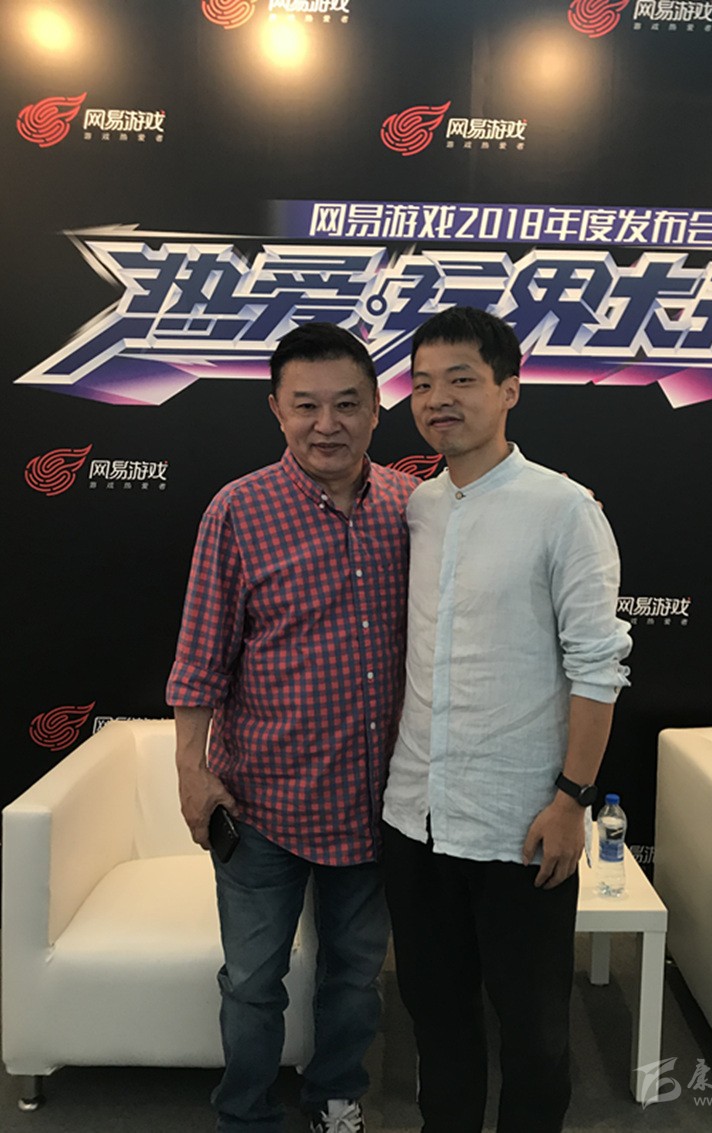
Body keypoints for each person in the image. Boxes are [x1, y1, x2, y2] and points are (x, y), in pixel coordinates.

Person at [381, 306, 632, 1133]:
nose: (437, 399)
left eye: (461, 380)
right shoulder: (417, 507)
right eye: (422, 384)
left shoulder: (563, 509)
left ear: (510, 390)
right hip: (416, 819)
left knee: (534, 1035)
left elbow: (599, 665)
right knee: (437, 1021)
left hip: (522, 826)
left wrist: (571, 798)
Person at [166, 323, 419, 1133]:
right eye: (306, 405)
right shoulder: (237, 510)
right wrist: (191, 771)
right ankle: (244, 1112)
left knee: (354, 975)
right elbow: (200, 658)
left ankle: (334, 1095)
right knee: (251, 981)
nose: (327, 424)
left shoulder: (413, 509)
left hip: (373, 805)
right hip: (262, 805)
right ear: (276, 409)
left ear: (377, 408)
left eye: (347, 403)